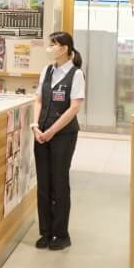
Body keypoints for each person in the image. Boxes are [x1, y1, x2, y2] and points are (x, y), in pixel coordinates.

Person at [32, 30, 85, 250]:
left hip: (63, 135)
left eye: (52, 44)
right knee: (43, 184)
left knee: (59, 183)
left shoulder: (76, 74)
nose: (49, 48)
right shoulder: (46, 70)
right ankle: (45, 232)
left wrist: (52, 130)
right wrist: (36, 126)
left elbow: (74, 107)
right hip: (41, 134)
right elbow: (39, 99)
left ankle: (61, 234)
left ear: (64, 48)